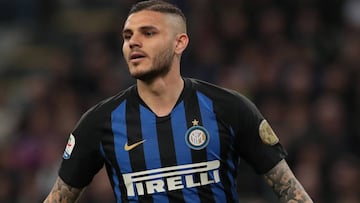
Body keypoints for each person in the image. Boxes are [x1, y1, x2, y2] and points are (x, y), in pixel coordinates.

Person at [44, 0, 313, 202]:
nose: (133, 42)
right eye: (128, 36)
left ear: (179, 43)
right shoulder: (99, 122)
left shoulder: (228, 108)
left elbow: (292, 193)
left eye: (148, 33)